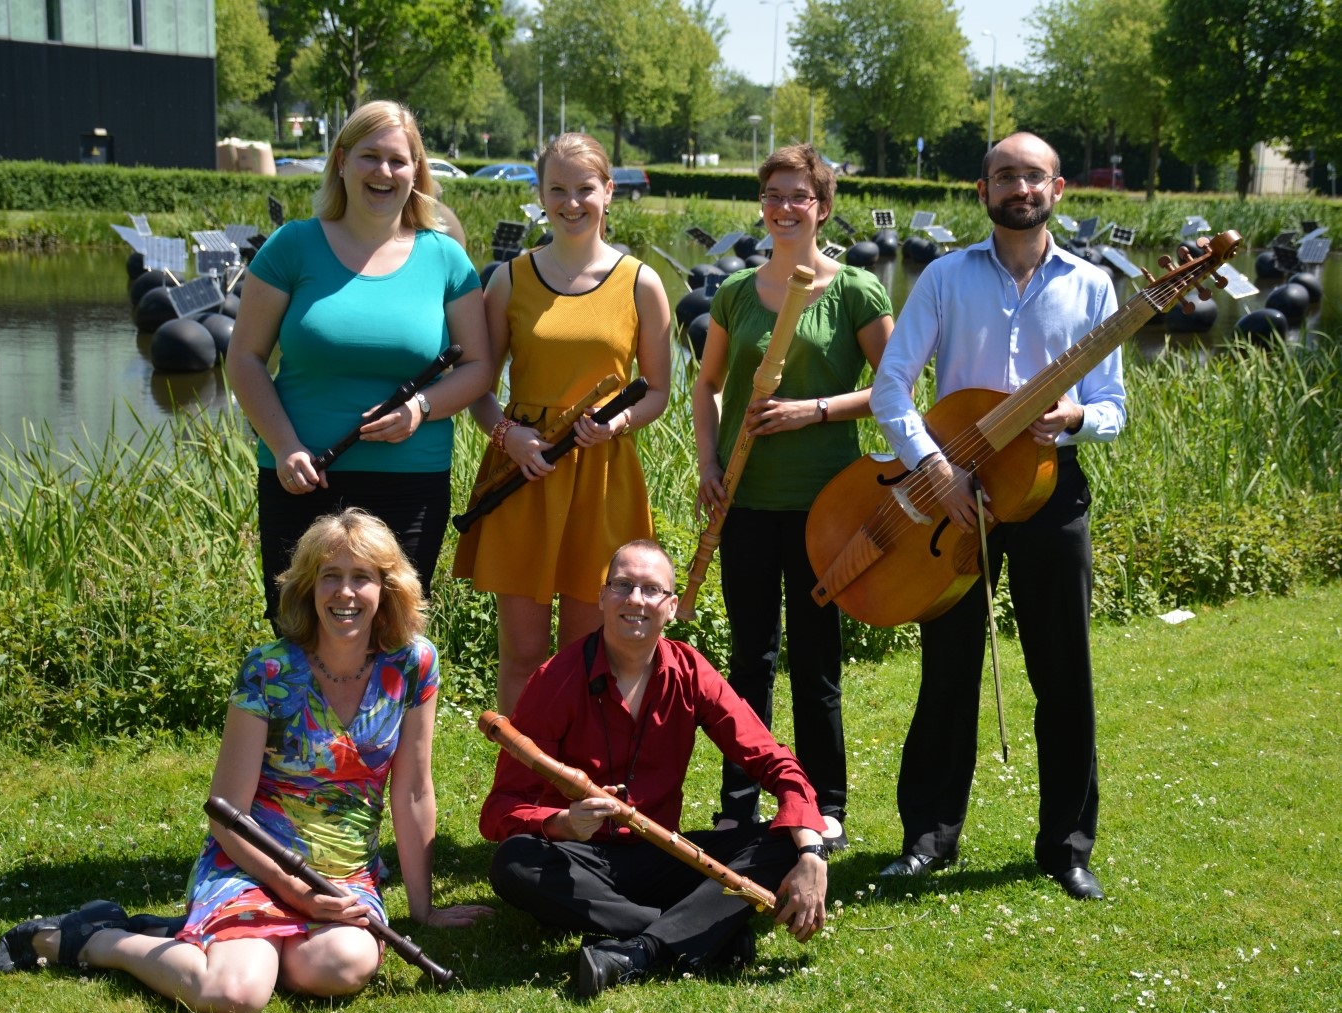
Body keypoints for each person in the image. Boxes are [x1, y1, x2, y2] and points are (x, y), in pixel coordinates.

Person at [0, 509, 493, 1013]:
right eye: (330, 577)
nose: (345, 594)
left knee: (341, 966)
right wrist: (293, 890)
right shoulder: (269, 669)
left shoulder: (413, 663)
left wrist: (423, 912)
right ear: (308, 587)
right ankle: (99, 940)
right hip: (252, 864)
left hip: (342, 880)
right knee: (235, 996)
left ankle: (224, 942)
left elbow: (412, 791)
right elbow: (226, 811)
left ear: (387, 589)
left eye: (361, 577)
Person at [870, 132, 1126, 901]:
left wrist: (1076, 418)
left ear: (1058, 189)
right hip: (957, 495)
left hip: (1052, 493)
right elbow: (891, 389)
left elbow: (1115, 405)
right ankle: (928, 838)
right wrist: (934, 468)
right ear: (982, 191)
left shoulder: (1093, 286)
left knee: (1064, 672)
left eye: (1033, 175)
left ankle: (1066, 846)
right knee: (946, 671)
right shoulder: (945, 278)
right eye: (1004, 175)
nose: (1020, 187)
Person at [480, 540, 828, 998]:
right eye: (623, 586)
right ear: (603, 597)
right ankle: (701, 932)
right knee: (514, 863)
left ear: (672, 605)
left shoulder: (690, 671)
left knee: (784, 839)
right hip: (585, 859)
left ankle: (639, 949)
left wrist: (811, 852)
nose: (636, 601)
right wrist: (563, 822)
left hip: (663, 854)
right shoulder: (557, 679)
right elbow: (499, 811)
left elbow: (773, 760)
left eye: (651, 590)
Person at [691, 144, 893, 851]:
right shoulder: (736, 292)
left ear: (823, 206)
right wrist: (708, 462)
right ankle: (740, 800)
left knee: (816, 661)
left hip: (826, 506)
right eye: (774, 194)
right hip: (746, 502)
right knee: (750, 659)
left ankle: (821, 804)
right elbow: (706, 385)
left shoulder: (856, 291)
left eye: (798, 196)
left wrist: (814, 411)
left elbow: (891, 391)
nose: (783, 207)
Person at [227, 100, 491, 621]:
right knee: (301, 635)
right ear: (341, 161)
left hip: (411, 483)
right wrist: (284, 447)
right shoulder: (292, 246)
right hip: (303, 478)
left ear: (416, 171)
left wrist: (420, 408)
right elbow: (244, 358)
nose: (384, 172)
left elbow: (479, 369)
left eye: (399, 160)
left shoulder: (445, 258)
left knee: (392, 637)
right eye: (370, 156)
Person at [453, 132, 671, 715]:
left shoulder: (642, 283)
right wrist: (508, 434)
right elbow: (478, 388)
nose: (571, 203)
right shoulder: (508, 280)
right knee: (521, 653)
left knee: (588, 648)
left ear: (608, 193)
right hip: (525, 475)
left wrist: (618, 424)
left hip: (601, 477)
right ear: (540, 194)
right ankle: (521, 781)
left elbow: (660, 394)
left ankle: (581, 781)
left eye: (585, 189)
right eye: (557, 189)